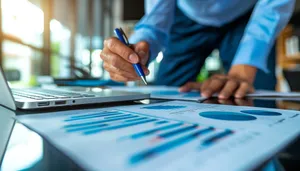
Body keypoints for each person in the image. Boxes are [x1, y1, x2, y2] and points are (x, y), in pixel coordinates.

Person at [100, 0, 295, 99]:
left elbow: (274, 5)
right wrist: (141, 47)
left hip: (249, 18)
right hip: (186, 19)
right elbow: (156, 16)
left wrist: (243, 71)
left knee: (253, 96)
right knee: (165, 96)